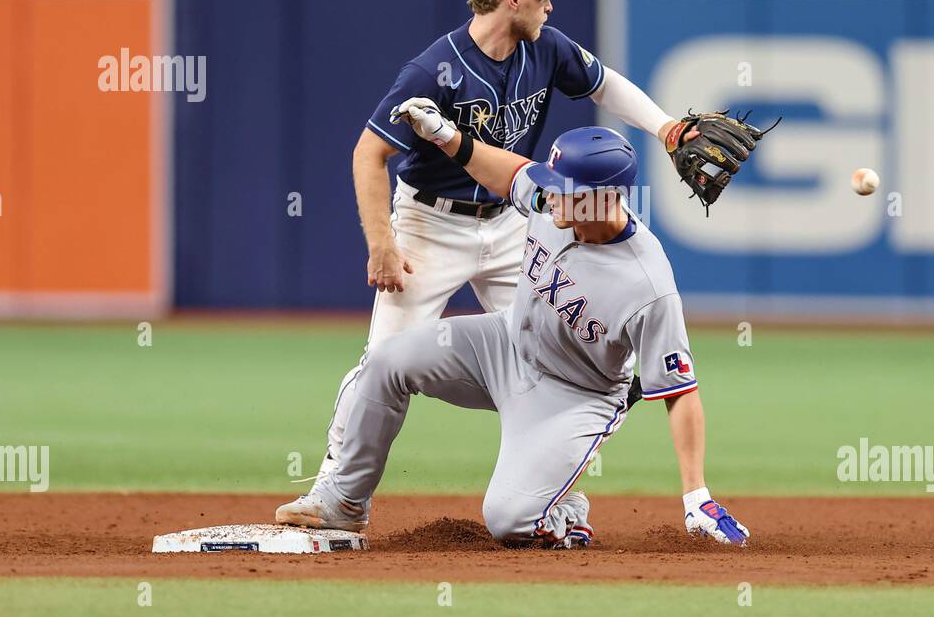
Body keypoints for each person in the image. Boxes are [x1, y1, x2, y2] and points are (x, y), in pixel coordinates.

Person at [311, 0, 692, 491]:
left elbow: (605, 84)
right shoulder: (433, 71)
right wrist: (381, 244)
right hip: (431, 225)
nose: (550, 5)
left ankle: (554, 495)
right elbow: (369, 153)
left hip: (514, 221)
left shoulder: (547, 49)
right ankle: (334, 492)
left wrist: (665, 128)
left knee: (563, 357)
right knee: (384, 361)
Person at [278, 108, 750, 548]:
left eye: (564, 188)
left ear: (604, 198)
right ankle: (344, 502)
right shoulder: (557, 202)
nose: (551, 194)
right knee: (387, 361)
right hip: (502, 346)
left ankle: (565, 510)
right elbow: (507, 172)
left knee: (508, 521)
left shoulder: (648, 285)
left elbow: (680, 391)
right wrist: (447, 136)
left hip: (573, 397)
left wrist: (696, 495)